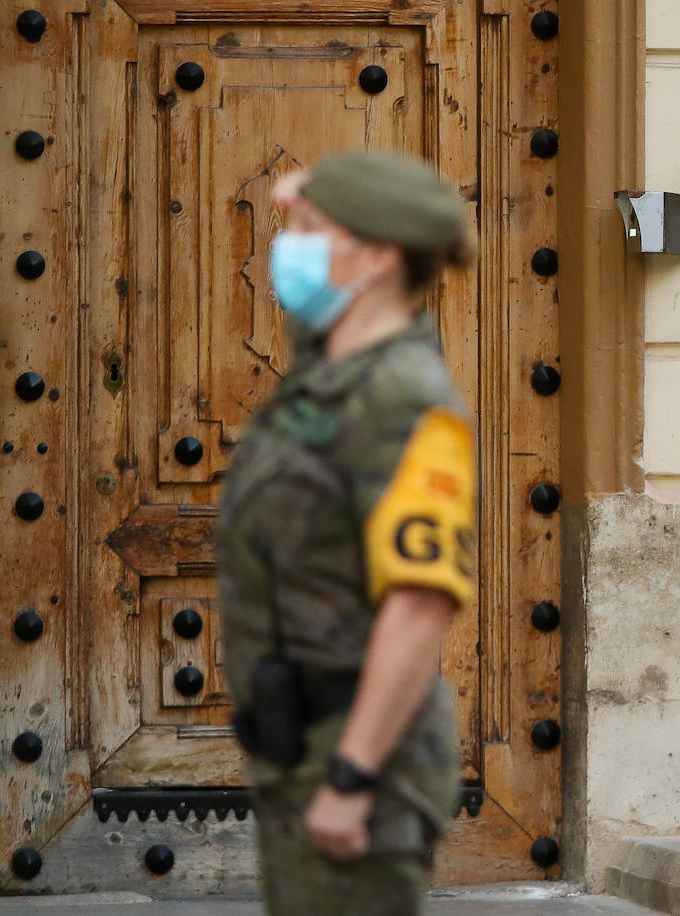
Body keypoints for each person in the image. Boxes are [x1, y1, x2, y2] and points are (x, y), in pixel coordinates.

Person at [216, 149, 478, 914]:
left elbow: (421, 605)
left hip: (363, 761)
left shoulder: (407, 401)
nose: (289, 245)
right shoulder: (332, 372)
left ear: (376, 256)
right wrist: (311, 197)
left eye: (315, 230)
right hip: (301, 745)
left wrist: (351, 778)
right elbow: (290, 197)